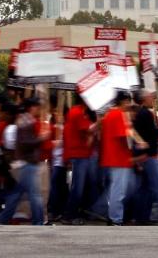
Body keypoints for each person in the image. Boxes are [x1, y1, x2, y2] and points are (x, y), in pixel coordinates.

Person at [0, 98, 49, 225]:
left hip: (27, 162)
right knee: (34, 194)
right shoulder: (26, 122)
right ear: (32, 108)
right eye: (37, 107)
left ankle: (3, 219)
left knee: (18, 193)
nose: (39, 110)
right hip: (28, 162)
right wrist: (41, 139)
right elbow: (26, 142)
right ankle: (38, 221)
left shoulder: (26, 120)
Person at [100, 91, 137, 226]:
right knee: (119, 190)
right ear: (123, 101)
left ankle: (113, 216)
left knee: (115, 189)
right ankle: (116, 218)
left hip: (114, 158)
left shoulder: (110, 114)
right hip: (119, 158)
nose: (129, 104)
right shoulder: (117, 114)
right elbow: (123, 136)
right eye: (128, 101)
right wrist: (132, 133)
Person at [132, 89, 158, 225]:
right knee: (157, 186)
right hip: (149, 156)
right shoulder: (145, 114)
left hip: (145, 155)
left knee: (145, 188)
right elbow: (150, 135)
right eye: (150, 96)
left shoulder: (142, 113)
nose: (153, 98)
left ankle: (142, 217)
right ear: (144, 99)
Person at [62, 94, 95, 225]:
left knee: (79, 186)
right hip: (79, 154)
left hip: (81, 154)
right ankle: (70, 215)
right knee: (78, 187)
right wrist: (100, 121)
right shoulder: (77, 112)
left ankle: (72, 213)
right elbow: (88, 129)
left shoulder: (78, 112)